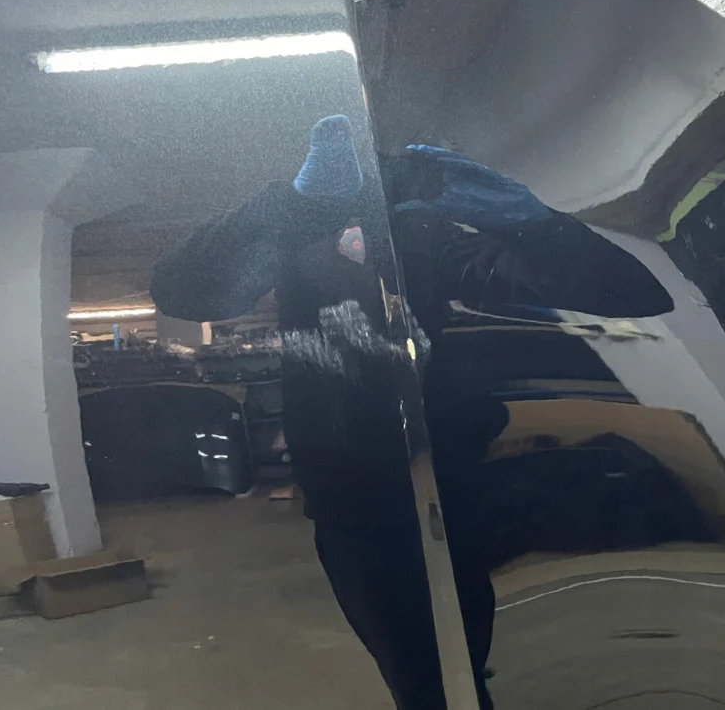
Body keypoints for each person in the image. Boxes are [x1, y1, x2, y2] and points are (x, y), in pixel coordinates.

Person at [150, 115, 672, 709]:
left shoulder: (432, 238)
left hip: (463, 490)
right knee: (423, 684)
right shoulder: (292, 238)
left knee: (476, 668)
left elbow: (637, 296)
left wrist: (537, 225)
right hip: (357, 505)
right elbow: (180, 291)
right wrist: (293, 206)